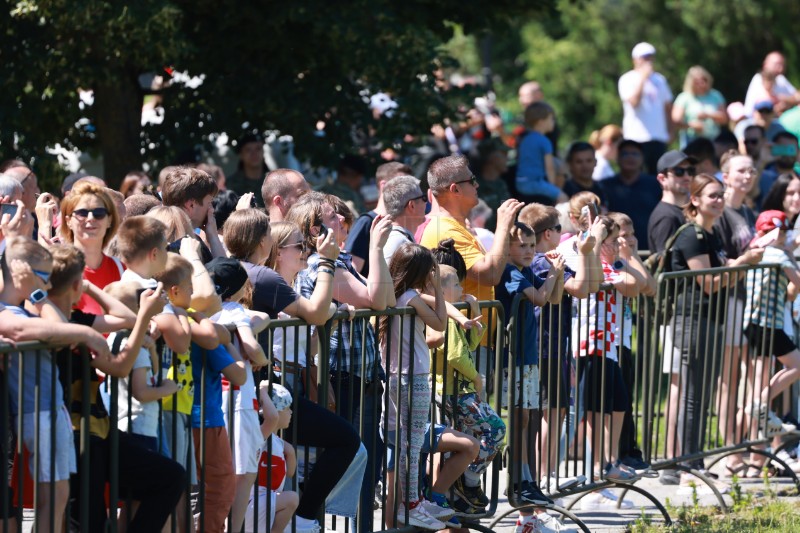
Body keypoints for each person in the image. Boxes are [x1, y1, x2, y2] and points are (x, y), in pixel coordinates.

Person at [224, 207, 365, 533]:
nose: (305, 251)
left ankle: (295, 518)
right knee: (345, 439)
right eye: (299, 246)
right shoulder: (263, 276)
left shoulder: (238, 270)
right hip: (258, 390)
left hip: (251, 388)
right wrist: (328, 262)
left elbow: (313, 325)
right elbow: (315, 313)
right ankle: (302, 519)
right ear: (267, 243)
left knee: (255, 471)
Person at [289, 192, 394, 532]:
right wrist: (376, 248)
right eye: (334, 217)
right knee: (342, 457)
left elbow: (387, 299)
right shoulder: (321, 267)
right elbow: (377, 300)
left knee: (358, 460)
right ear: (314, 229)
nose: (343, 222)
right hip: (339, 376)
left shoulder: (340, 261)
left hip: (358, 375)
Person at [667, 173, 762, 493]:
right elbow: (708, 282)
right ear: (694, 200)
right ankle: (687, 466)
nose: (719, 200)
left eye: (721, 195)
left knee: (701, 394)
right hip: (692, 320)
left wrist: (738, 265)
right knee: (693, 396)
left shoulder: (710, 234)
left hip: (709, 320)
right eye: (712, 195)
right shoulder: (692, 235)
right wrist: (743, 263)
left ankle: (691, 463)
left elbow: (721, 278)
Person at [495, 222, 573, 514]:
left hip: (527, 354)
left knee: (525, 416)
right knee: (519, 416)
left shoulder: (526, 270)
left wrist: (558, 273)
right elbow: (541, 297)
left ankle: (524, 475)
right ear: (508, 247)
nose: (528, 251)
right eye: (522, 246)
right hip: (513, 356)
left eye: (531, 245)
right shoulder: (509, 271)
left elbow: (552, 298)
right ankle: (518, 477)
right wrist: (553, 273)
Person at [379, 243, 450, 529]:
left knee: (409, 443)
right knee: (414, 443)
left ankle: (414, 501)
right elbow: (441, 323)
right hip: (414, 377)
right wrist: (438, 289)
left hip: (399, 375)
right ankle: (410, 504)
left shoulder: (397, 295)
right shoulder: (410, 297)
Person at [428, 264, 506, 512]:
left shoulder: (454, 314)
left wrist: (474, 313)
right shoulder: (446, 317)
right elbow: (455, 356)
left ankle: (463, 480)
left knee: (476, 436)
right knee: (496, 429)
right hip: (455, 392)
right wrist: (477, 378)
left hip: (462, 391)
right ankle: (468, 480)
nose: (462, 289)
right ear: (441, 290)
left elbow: (469, 346)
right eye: (457, 285)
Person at [418, 154, 524, 333]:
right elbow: (489, 274)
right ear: (455, 190)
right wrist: (504, 226)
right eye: (471, 180)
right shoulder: (446, 230)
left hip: (471, 339)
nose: (477, 185)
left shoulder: (455, 226)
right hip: (464, 343)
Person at [207, 257, 269, 532]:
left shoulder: (204, 312)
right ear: (239, 289)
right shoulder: (235, 310)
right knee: (243, 474)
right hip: (238, 400)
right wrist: (264, 360)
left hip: (213, 399)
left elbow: (263, 318)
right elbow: (251, 346)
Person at [742, 210, 800, 477]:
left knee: (764, 374)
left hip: (759, 323)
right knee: (796, 365)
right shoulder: (777, 254)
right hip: (766, 323)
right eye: (784, 233)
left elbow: (789, 292)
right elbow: (797, 282)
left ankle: (764, 417)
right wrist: (791, 256)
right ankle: (761, 405)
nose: (787, 237)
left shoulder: (758, 249)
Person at [59, 182, 123, 315]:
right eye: (82, 213)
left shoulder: (122, 269)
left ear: (109, 220)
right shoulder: (57, 269)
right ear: (68, 221)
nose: (90, 218)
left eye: (99, 213)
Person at [245, 383, 300, 533]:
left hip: (265, 503)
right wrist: (263, 391)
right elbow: (271, 419)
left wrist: (291, 452)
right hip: (252, 503)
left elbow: (290, 473)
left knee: (290, 499)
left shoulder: (278, 443)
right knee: (292, 499)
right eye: (287, 408)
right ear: (275, 410)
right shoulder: (260, 437)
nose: (291, 412)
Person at [344, 161, 413, 275]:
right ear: (383, 185)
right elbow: (352, 272)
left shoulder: (403, 223)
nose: (408, 190)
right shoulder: (366, 222)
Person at [618, 42, 673, 174]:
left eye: (650, 57)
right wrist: (643, 78)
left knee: (658, 175)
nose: (648, 61)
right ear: (635, 60)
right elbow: (634, 102)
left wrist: (671, 130)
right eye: (644, 57)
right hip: (636, 136)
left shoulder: (660, 80)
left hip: (658, 137)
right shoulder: (627, 79)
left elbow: (667, 106)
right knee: (636, 174)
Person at [600, 140, 661, 240]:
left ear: (642, 158)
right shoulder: (604, 186)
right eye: (625, 154)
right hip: (615, 246)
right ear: (617, 158)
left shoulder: (656, 184)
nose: (630, 157)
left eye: (635, 154)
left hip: (650, 246)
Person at [161, 166, 225, 259]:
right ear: (191, 205)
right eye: (209, 203)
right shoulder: (191, 246)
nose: (212, 209)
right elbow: (226, 270)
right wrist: (213, 237)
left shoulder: (154, 240)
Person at [516, 102, 567, 204]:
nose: (554, 122)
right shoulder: (544, 141)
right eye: (551, 119)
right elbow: (550, 168)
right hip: (535, 183)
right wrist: (552, 188)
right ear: (541, 122)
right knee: (563, 197)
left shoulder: (524, 139)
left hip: (520, 183)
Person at [647, 150, 696, 253]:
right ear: (662, 179)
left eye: (690, 171)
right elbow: (666, 264)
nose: (687, 176)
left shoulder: (688, 210)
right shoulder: (666, 217)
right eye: (679, 171)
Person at [672, 66, 727, 148]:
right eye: (697, 82)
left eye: (704, 80)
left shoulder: (716, 95)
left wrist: (708, 115)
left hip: (713, 139)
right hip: (691, 140)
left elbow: (724, 119)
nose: (702, 84)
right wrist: (692, 125)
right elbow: (675, 121)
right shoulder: (684, 97)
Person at [380, 175, 427, 262]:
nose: (426, 203)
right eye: (424, 198)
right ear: (412, 205)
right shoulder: (399, 242)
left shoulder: (395, 238)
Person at [744, 51, 800, 116]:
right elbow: (757, 107)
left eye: (782, 65)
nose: (780, 68)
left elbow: (797, 97)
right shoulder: (759, 79)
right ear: (766, 64)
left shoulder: (780, 79)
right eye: (777, 64)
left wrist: (783, 100)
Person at [475, 137, 511, 231]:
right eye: (504, 154)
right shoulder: (475, 187)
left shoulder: (501, 184)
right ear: (491, 157)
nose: (507, 158)